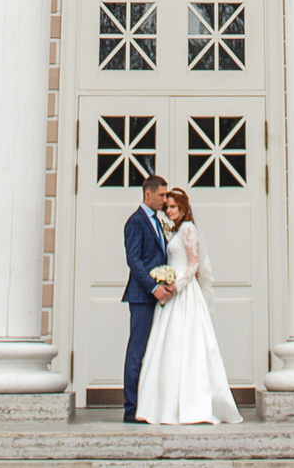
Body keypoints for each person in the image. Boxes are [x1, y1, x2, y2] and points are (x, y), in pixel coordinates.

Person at [133, 187, 242, 425]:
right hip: (170, 294)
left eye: (173, 206)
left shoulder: (189, 229)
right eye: (167, 206)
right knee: (167, 347)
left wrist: (177, 285)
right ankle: (163, 405)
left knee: (188, 345)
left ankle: (192, 404)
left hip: (183, 293)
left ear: (183, 208)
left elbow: (194, 264)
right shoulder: (174, 230)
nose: (169, 210)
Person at [121, 173, 175, 422]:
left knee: (156, 351)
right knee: (137, 351)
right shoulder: (136, 221)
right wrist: (154, 287)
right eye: (162, 195)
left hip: (161, 295)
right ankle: (131, 409)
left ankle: (151, 405)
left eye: (166, 195)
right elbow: (134, 260)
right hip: (143, 296)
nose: (165, 200)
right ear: (148, 194)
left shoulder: (159, 220)